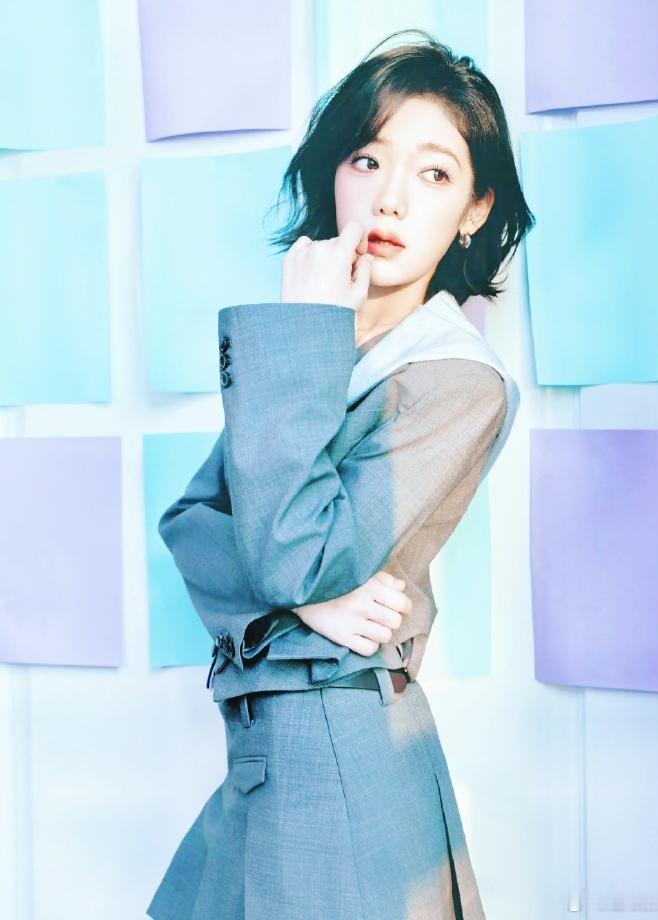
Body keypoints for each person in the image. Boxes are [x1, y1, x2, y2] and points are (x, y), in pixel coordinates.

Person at [146, 29, 534, 920]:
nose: (391, 197)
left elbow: (295, 555)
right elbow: (192, 522)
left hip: (340, 753)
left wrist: (303, 331)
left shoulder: (457, 379)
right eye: (367, 159)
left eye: (434, 173)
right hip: (268, 756)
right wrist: (307, 607)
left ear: (474, 208)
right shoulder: (327, 348)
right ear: (334, 176)